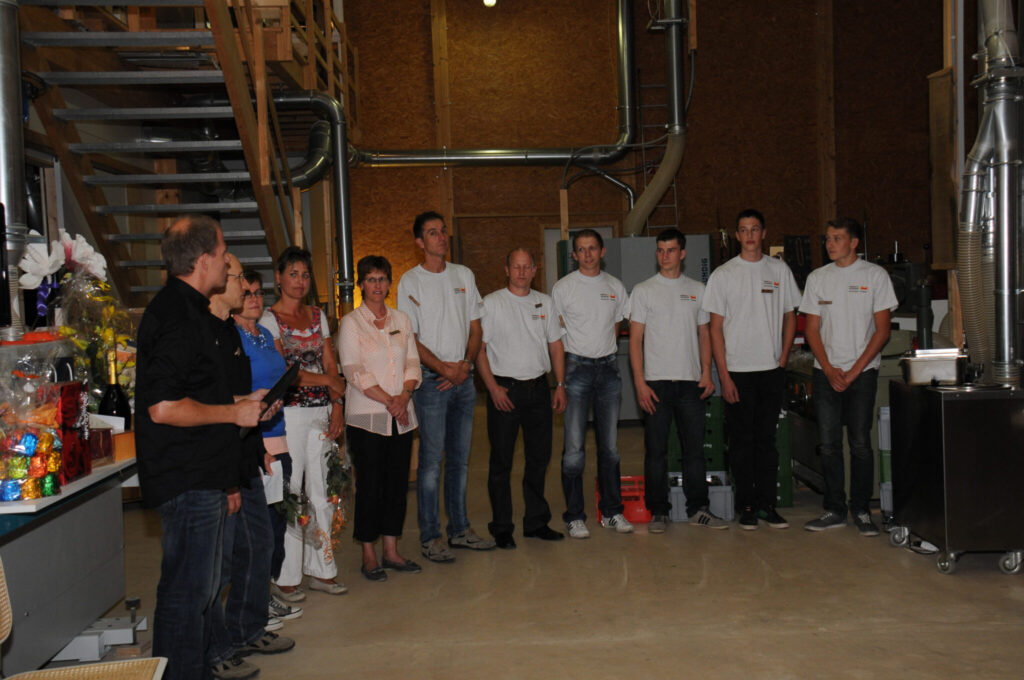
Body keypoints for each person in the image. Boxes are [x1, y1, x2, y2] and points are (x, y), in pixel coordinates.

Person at [135, 215, 265, 680]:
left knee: (199, 593)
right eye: (224, 253)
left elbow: (196, 391)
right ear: (204, 260)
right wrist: (233, 413)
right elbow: (163, 407)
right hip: (186, 475)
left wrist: (239, 403)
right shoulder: (177, 316)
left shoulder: (192, 310)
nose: (228, 264)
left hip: (203, 471)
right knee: (186, 597)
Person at [207, 255, 294, 680]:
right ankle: (214, 649)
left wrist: (258, 438)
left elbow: (240, 398)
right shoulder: (206, 333)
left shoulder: (230, 333)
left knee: (259, 542)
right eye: (240, 278)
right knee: (219, 561)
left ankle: (248, 628)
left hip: (245, 450)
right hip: (216, 460)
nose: (246, 287)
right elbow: (209, 404)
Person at [397, 211, 495, 562]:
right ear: (419, 242)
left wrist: (465, 365)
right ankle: (430, 537)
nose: (441, 237)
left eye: (443, 231)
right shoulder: (410, 282)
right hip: (431, 384)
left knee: (460, 461)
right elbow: (411, 338)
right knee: (430, 463)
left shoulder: (463, 275)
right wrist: (443, 370)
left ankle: (460, 530)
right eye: (432, 233)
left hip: (463, 380)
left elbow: (476, 328)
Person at [703, 209, 800, 530]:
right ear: (736, 235)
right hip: (737, 373)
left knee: (766, 442)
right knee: (741, 443)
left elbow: (790, 315)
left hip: (771, 370)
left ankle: (767, 505)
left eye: (754, 229)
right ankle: (746, 505)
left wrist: (782, 358)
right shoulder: (723, 275)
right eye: (743, 230)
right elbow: (715, 328)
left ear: (764, 233)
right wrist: (724, 375)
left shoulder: (779, 270)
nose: (749, 235)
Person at [800, 218, 897, 536]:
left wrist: (854, 372)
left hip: (862, 374)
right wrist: (829, 369)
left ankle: (862, 510)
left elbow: (882, 332)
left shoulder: (875, 276)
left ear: (854, 243)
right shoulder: (818, 278)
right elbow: (811, 330)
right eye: (827, 238)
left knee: (860, 444)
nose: (830, 244)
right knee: (829, 445)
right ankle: (834, 509)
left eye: (837, 238)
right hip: (826, 374)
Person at [262, 247, 347, 598]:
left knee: (324, 491)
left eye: (305, 275)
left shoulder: (317, 315)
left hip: (321, 411)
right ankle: (286, 575)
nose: (299, 281)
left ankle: (323, 569)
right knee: (292, 491)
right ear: (279, 278)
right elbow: (285, 372)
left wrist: (337, 405)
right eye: (293, 274)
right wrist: (329, 381)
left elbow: (331, 361)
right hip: (290, 416)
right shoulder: (270, 319)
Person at [629, 228, 727, 533]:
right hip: (655, 384)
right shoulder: (643, 290)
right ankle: (658, 511)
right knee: (656, 452)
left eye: (670, 250)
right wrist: (640, 383)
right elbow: (635, 341)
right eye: (660, 250)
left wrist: (706, 373)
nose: (665, 256)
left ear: (682, 253)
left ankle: (698, 509)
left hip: (690, 384)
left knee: (694, 452)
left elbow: (704, 333)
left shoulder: (698, 289)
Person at [338, 255, 423, 581]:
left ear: (389, 283)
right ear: (361, 284)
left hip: (401, 415)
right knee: (370, 486)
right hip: (368, 418)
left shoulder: (402, 319)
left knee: (397, 485)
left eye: (382, 279)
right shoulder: (351, 323)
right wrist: (390, 400)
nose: (377, 285)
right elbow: (353, 370)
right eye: (371, 279)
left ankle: (391, 550)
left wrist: (404, 397)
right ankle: (369, 553)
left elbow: (412, 363)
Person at [476, 248, 567, 549]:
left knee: (539, 458)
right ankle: (502, 527)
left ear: (535, 270)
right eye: (516, 267)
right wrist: (492, 388)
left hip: (538, 390)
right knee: (501, 462)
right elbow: (479, 350)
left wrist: (560, 384)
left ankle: (536, 522)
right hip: (505, 390)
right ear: (506, 270)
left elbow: (556, 345)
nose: (521, 272)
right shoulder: (491, 304)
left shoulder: (546, 302)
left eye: (527, 267)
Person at [551, 228, 633, 539]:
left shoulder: (615, 286)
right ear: (574, 255)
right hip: (576, 370)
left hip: (608, 371)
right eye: (581, 249)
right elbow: (556, 334)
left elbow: (617, 324)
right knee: (574, 450)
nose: (587, 254)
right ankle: (575, 516)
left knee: (610, 448)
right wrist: (560, 381)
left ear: (602, 251)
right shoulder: (563, 288)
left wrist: (605, 355)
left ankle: (612, 512)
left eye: (592, 248)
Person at [233, 269, 303, 623]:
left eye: (259, 293)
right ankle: (254, 602)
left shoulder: (263, 334)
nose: (254, 299)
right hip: (254, 440)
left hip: (279, 431)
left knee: (275, 522)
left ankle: (266, 591)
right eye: (247, 293)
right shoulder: (233, 338)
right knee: (257, 529)